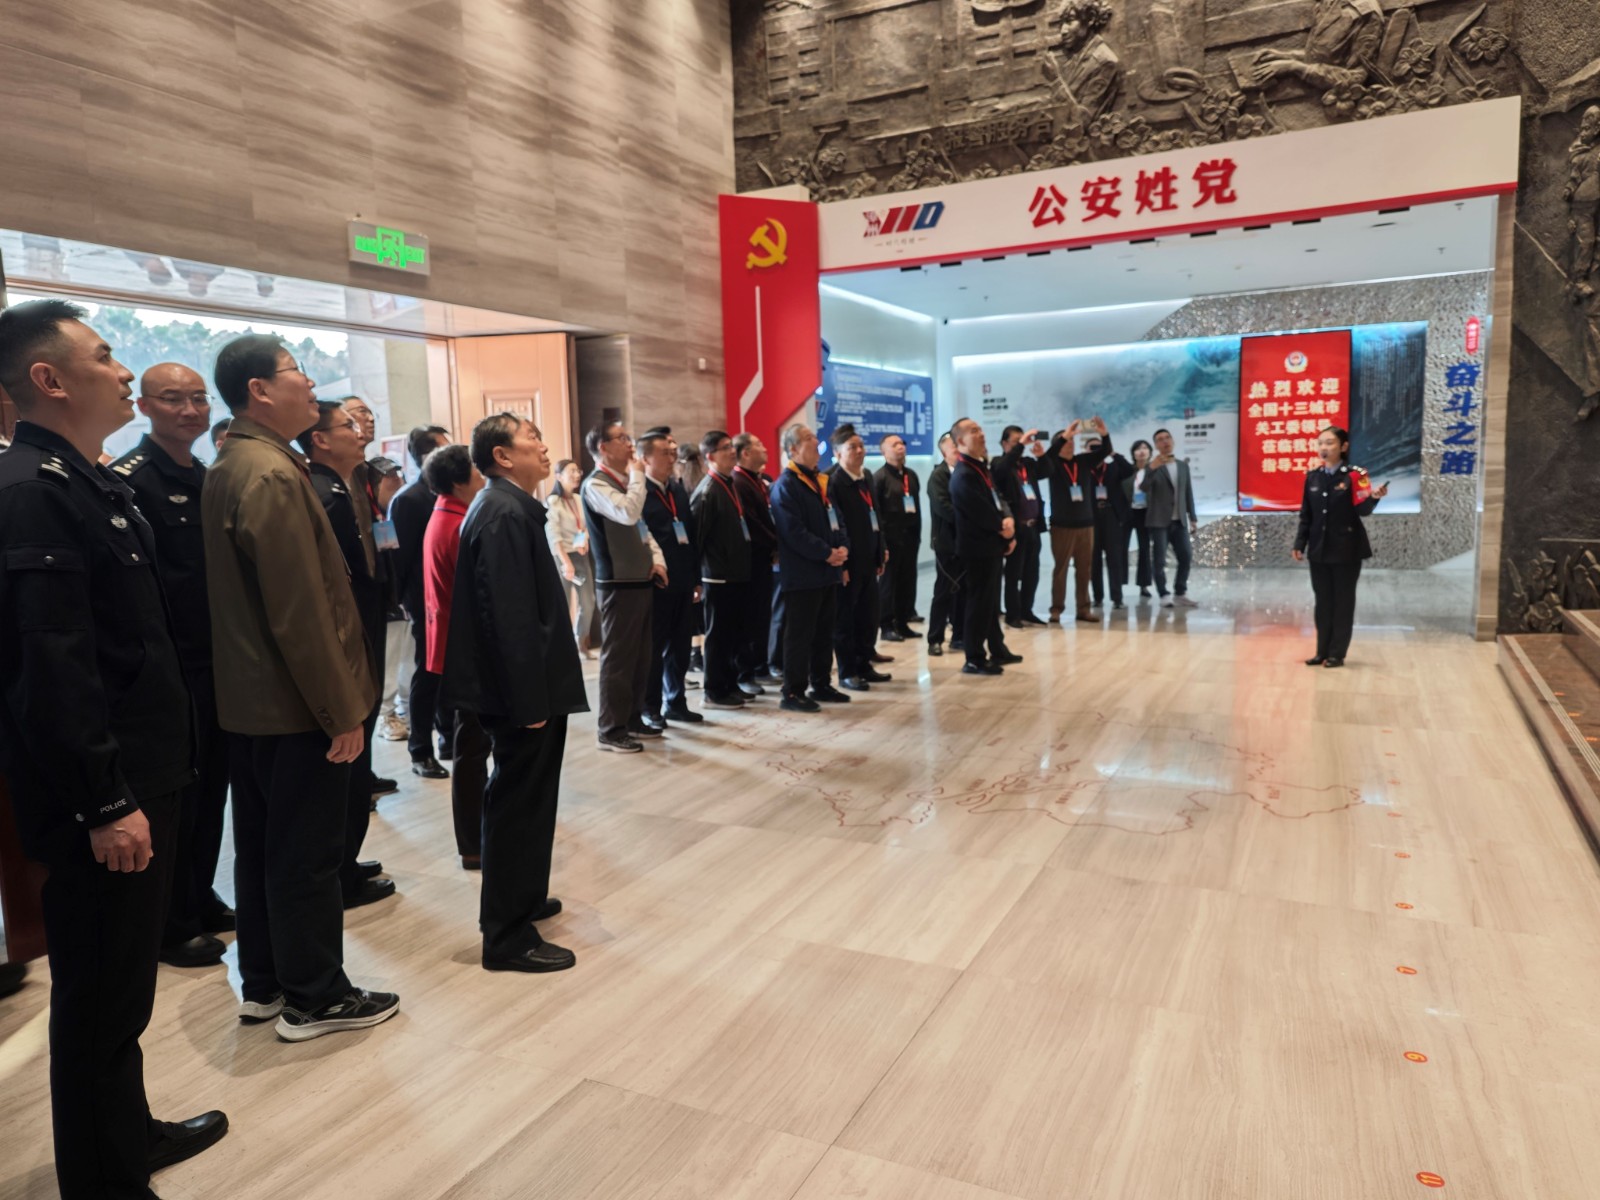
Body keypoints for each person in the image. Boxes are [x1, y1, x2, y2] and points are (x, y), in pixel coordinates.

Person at [0, 299, 228, 1198]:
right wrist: (104, 800)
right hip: (107, 795)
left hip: (144, 773)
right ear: (49, 379)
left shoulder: (86, 482)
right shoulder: (33, 493)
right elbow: (50, 669)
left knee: (122, 989)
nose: (124, 370)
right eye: (103, 356)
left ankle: (124, 1135)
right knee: (98, 998)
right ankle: (105, 1182)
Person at [204, 333, 399, 1041]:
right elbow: (301, 610)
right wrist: (339, 710)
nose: (311, 384)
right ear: (259, 390)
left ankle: (266, 983)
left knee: (264, 848)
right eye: (296, 371)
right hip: (295, 706)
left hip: (258, 702)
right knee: (306, 855)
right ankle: (316, 997)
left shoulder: (238, 461)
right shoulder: (271, 474)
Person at [440, 414, 588, 973]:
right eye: (532, 439)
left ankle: (523, 899)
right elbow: (508, 618)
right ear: (502, 456)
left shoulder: (512, 506)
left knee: (532, 799)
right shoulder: (501, 512)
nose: (544, 447)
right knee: (516, 805)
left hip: (534, 686)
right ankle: (505, 935)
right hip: (521, 693)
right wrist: (528, 701)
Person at [110, 363, 233, 969]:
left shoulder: (205, 475)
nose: (189, 410)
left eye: (197, 399)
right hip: (171, 670)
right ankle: (171, 922)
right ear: (143, 406)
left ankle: (198, 896)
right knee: (178, 798)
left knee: (211, 792)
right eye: (172, 399)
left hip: (217, 664)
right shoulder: (131, 480)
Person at [301, 401, 396, 911]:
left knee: (359, 765)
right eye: (348, 426)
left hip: (367, 625)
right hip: (351, 634)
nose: (360, 433)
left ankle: (348, 864)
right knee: (348, 764)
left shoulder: (350, 483)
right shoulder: (322, 492)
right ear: (319, 439)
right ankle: (341, 873)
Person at [582, 421, 668, 753]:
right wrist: (638, 476)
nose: (630, 444)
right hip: (617, 583)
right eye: (622, 439)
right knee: (618, 659)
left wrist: (657, 560)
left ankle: (632, 720)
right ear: (603, 448)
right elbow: (628, 513)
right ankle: (610, 729)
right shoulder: (596, 484)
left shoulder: (624, 482)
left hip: (640, 579)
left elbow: (641, 528)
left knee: (640, 657)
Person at [421, 444, 487, 870]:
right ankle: (473, 843)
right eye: (476, 471)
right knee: (472, 749)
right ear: (460, 481)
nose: (483, 476)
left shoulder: (448, 513)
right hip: (465, 652)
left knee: (472, 746)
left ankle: (478, 836)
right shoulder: (458, 524)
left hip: (455, 647)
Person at [770, 423, 852, 712]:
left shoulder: (820, 481)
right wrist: (826, 553)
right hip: (803, 574)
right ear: (793, 449)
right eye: (808, 438)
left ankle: (821, 683)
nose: (816, 442)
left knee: (824, 632)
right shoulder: (786, 485)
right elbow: (793, 532)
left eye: (815, 436)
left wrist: (843, 548)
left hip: (827, 571)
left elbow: (838, 520)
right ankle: (793, 692)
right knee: (800, 635)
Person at [1294, 425, 1387, 667]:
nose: (1323, 448)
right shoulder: (1313, 477)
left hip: (1347, 550)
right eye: (1320, 443)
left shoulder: (1355, 475)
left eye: (1329, 443)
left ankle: (1337, 653)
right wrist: (1300, 543)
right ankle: (1321, 651)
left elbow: (1362, 510)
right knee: (1322, 602)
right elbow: (1307, 514)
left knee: (1343, 603)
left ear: (1343, 447)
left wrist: (1374, 497)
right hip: (1319, 550)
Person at [389, 424, 451, 778]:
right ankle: (420, 750)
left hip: (449, 600)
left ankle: (449, 738)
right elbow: (400, 559)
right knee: (427, 675)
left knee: (449, 674)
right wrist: (406, 603)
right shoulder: (409, 499)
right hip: (424, 604)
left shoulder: (447, 493)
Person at [640, 429, 704, 725]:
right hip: (657, 582)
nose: (671, 458)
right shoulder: (640, 492)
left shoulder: (677, 489)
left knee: (680, 646)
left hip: (683, 580)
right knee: (654, 649)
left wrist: (696, 578)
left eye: (672, 453)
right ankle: (650, 707)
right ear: (645, 459)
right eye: (664, 453)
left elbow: (690, 535)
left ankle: (676, 702)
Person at [949, 418, 1019, 675]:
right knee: (978, 603)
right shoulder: (963, 473)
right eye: (973, 431)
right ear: (960, 441)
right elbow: (979, 511)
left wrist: (1008, 519)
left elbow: (997, 498)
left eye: (980, 430)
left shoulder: (980, 467)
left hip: (991, 544)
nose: (981, 434)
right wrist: (1003, 528)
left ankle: (997, 648)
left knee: (989, 602)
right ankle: (974, 657)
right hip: (977, 548)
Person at [692, 429, 755, 713]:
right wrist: (696, 579)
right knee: (718, 636)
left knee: (733, 634)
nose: (732, 451)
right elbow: (698, 538)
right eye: (725, 447)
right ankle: (714, 691)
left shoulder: (729, 484)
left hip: (736, 573)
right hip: (717, 576)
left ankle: (729, 684)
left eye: (732, 446)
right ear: (710, 456)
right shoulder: (708, 491)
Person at [827, 425, 890, 691]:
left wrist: (881, 548)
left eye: (861, 446)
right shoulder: (833, 482)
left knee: (868, 616)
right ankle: (847, 671)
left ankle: (864, 664)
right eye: (852, 447)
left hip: (869, 557)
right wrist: (841, 564)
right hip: (849, 562)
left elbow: (876, 515)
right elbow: (834, 526)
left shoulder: (866, 477)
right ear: (838, 453)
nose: (859, 451)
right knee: (846, 619)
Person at [1043, 417, 1110, 623]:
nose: (1070, 444)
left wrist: (1104, 434)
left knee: (1084, 569)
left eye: (1073, 441)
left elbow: (1105, 451)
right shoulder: (1053, 464)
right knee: (1061, 569)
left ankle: (1083, 608)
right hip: (1062, 526)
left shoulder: (1082, 461)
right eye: (1066, 441)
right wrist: (1064, 437)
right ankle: (1056, 609)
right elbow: (1048, 456)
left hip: (1086, 524)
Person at [732, 433, 782, 688]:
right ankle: (746, 672)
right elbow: (752, 523)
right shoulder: (738, 482)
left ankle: (761, 665)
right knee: (748, 619)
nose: (765, 448)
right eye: (759, 445)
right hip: (749, 561)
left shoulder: (759, 480)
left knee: (763, 615)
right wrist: (776, 544)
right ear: (745, 453)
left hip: (764, 559)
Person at [993, 425, 1046, 628]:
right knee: (1014, 573)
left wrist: (1041, 456)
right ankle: (1012, 614)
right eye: (1016, 442)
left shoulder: (1027, 464)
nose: (1021, 446)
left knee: (1032, 572)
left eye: (1022, 441)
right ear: (1004, 443)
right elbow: (1000, 470)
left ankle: (1027, 610)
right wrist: (1021, 446)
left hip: (1033, 526)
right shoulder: (999, 463)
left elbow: (1047, 470)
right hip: (1016, 527)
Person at [873, 433, 922, 641]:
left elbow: (916, 507)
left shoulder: (911, 475)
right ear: (884, 451)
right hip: (890, 541)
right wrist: (881, 543)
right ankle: (886, 625)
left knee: (907, 582)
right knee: (888, 584)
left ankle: (903, 623)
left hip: (909, 539)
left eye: (902, 443)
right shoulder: (879, 477)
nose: (900, 446)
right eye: (894, 444)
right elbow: (876, 513)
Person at [1144, 426, 1199, 608]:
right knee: (1159, 560)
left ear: (1173, 441)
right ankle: (1163, 593)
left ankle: (1180, 592)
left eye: (1167, 438)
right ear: (1156, 446)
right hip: (1159, 521)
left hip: (1180, 520)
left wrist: (1193, 517)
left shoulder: (1182, 466)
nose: (1165, 441)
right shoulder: (1152, 466)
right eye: (1160, 439)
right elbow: (1143, 487)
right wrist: (1151, 469)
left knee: (1186, 556)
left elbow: (1188, 492)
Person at [547, 459, 596, 659]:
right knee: (563, 603)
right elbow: (553, 535)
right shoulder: (553, 502)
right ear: (558, 476)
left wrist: (584, 539)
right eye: (571, 471)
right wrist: (566, 562)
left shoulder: (578, 498)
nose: (577, 475)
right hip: (561, 557)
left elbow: (585, 526)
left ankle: (581, 643)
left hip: (580, 554)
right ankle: (562, 647)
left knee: (588, 601)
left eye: (578, 471)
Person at [925, 432, 967, 656]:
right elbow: (944, 507)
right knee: (943, 591)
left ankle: (959, 636)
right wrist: (970, 519)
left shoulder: (966, 472)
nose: (958, 451)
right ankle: (935, 639)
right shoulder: (938, 476)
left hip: (966, 542)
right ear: (944, 452)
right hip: (946, 543)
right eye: (954, 448)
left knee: (963, 591)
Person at [1087, 430, 1133, 611]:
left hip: (1111, 515)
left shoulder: (1113, 467)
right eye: (1092, 448)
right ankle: (1097, 597)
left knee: (1115, 558)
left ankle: (1117, 597)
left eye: (1099, 448)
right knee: (1094, 559)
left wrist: (1112, 452)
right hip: (1091, 517)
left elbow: (1129, 470)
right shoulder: (1084, 469)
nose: (1095, 451)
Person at [1120, 439, 1155, 601]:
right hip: (1127, 512)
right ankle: (1119, 583)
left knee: (1144, 549)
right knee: (1121, 548)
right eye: (1138, 448)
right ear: (1133, 453)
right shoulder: (1127, 471)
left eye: (1145, 448)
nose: (1141, 451)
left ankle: (1144, 585)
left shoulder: (1153, 471)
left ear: (1150, 452)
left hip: (1145, 514)